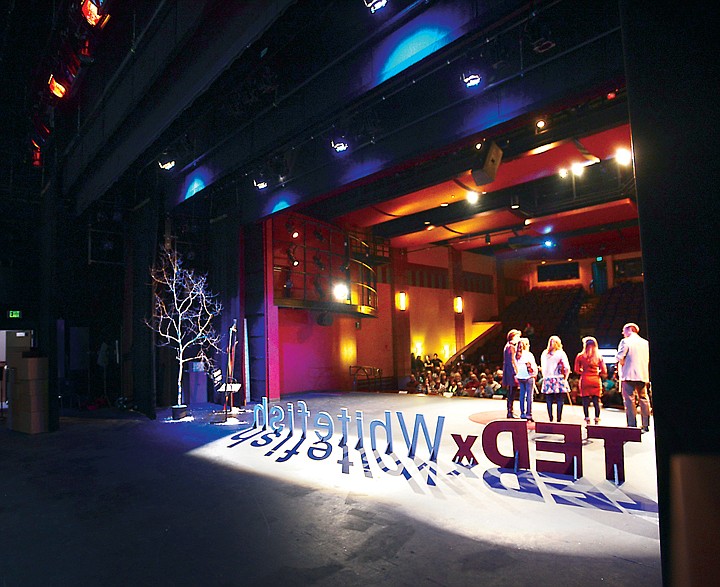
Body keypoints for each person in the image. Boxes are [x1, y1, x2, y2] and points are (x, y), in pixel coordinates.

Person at [616, 322, 652, 432]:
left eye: (624, 330)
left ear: (630, 329)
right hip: (642, 374)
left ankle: (632, 425)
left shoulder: (625, 341)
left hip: (628, 375)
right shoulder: (645, 343)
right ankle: (646, 424)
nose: (623, 333)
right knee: (644, 399)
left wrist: (620, 362)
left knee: (629, 400)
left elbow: (620, 357)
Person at [574, 336, 607, 425]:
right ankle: (597, 418)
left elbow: (577, 370)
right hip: (595, 380)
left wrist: (584, 371)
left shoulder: (580, 356)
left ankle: (587, 418)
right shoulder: (599, 356)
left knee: (585, 401)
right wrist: (597, 372)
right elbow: (604, 371)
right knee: (596, 401)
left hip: (585, 379)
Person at [540, 335, 571, 422]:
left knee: (549, 400)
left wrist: (544, 376)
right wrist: (566, 377)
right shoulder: (561, 353)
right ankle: (558, 419)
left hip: (548, 378)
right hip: (559, 378)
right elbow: (567, 367)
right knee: (559, 400)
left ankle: (550, 418)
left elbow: (543, 367)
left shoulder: (544, 353)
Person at [514, 337, 537, 420]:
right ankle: (529, 414)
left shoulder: (516, 355)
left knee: (522, 395)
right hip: (528, 376)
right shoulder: (528, 355)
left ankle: (522, 413)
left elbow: (515, 367)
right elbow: (532, 366)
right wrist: (535, 373)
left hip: (520, 377)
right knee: (529, 396)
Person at [502, 329, 522, 417]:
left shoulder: (508, 346)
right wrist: (515, 373)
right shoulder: (511, 347)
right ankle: (510, 412)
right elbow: (511, 361)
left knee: (511, 392)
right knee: (511, 392)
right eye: (517, 336)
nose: (519, 338)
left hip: (509, 371)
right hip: (511, 372)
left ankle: (510, 411)